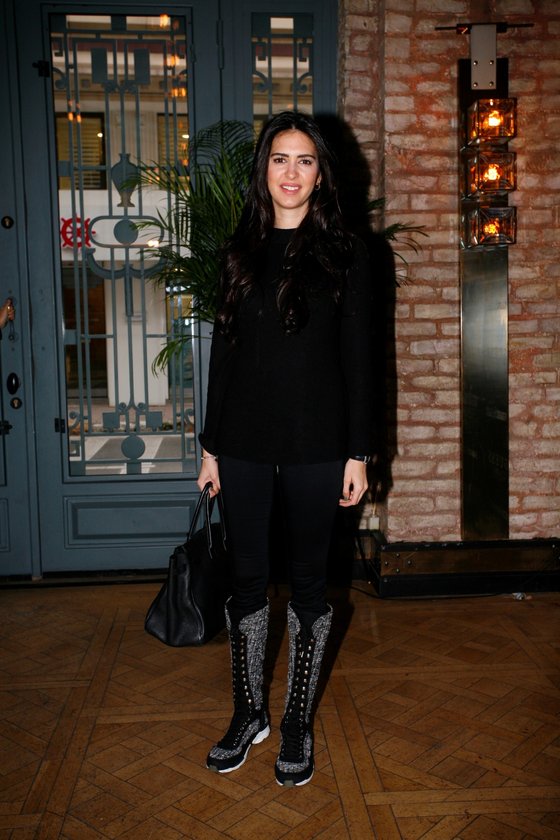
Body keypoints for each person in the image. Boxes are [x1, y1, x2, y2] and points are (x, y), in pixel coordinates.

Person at [197, 111, 373, 787]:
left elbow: (359, 361)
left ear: (321, 173)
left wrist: (359, 453)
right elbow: (224, 356)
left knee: (307, 584)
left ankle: (296, 719)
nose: (291, 172)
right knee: (246, 580)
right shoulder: (239, 250)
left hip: (316, 443)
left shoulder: (347, 254)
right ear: (263, 170)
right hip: (241, 441)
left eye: (304, 160)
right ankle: (249, 714)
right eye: (279, 159)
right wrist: (210, 447)